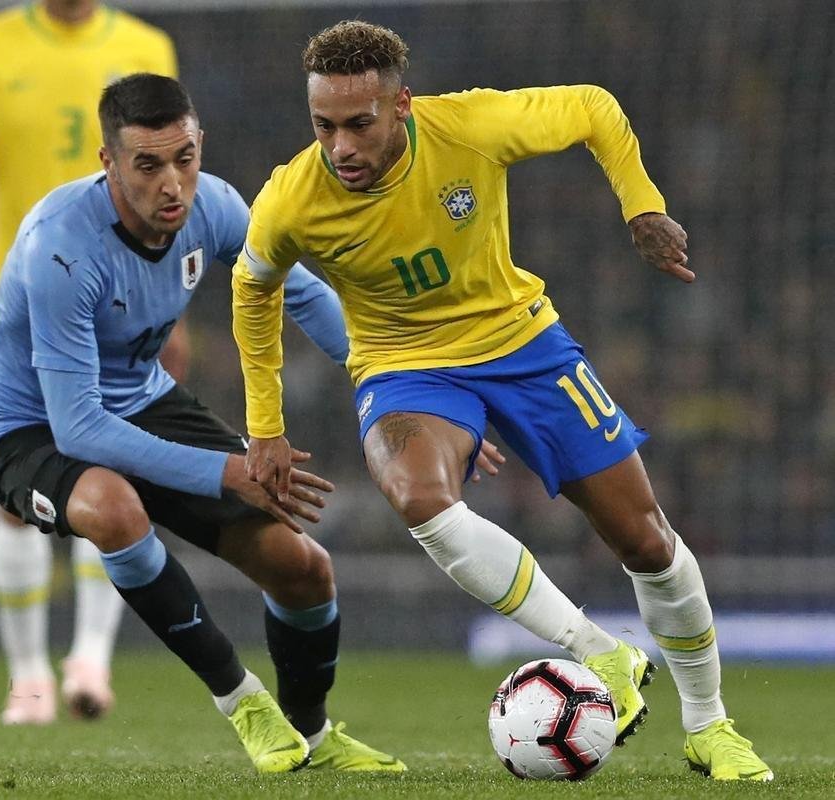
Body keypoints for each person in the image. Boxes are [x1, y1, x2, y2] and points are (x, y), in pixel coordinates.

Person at [231, 20, 773, 782]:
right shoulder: (291, 198)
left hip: (520, 343)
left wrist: (641, 205)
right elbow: (252, 289)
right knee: (418, 497)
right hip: (402, 365)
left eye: (359, 123)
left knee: (644, 540)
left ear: (402, 106)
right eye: (324, 126)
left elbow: (591, 107)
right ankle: (598, 652)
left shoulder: (471, 127)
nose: (340, 147)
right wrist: (264, 427)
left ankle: (707, 725)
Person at [0, 72, 405, 773]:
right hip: (31, 428)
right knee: (113, 507)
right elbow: (77, 430)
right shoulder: (61, 248)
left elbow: (300, 293)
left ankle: (313, 736)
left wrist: (396, 384)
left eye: (185, 158)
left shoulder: (216, 207)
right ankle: (243, 701)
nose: (172, 184)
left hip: (143, 401)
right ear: (109, 163)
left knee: (302, 568)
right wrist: (228, 470)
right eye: (148, 165)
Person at [0, 0, 179, 725]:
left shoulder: (146, 45)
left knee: (113, 477)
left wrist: (174, 297)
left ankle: (90, 659)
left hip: (118, 305)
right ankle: (27, 678)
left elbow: (171, 181)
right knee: (11, 497)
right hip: (15, 303)